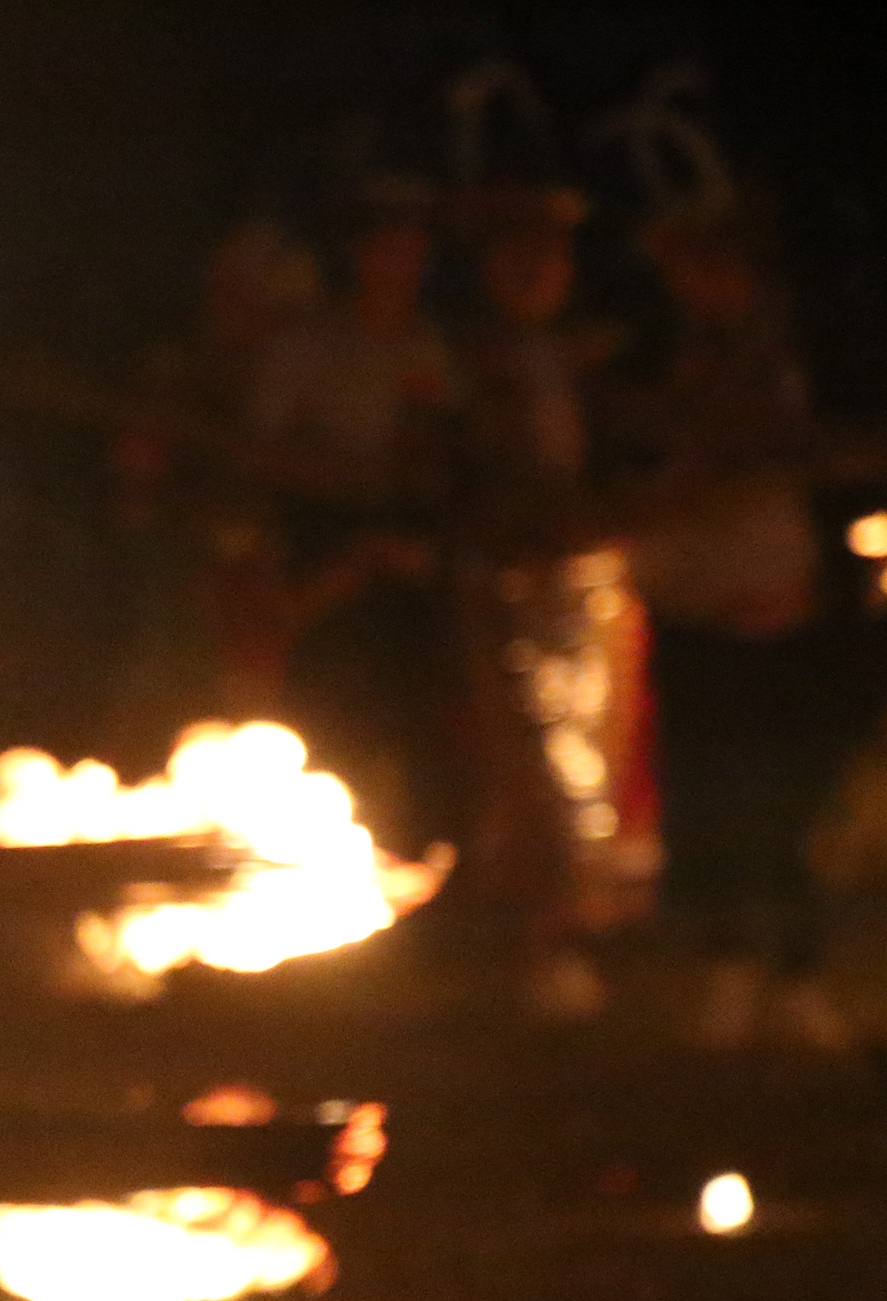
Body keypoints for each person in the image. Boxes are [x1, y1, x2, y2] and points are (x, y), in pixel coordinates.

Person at [610, 195, 866, 1050]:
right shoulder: (653, 357)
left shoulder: (801, 355)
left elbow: (826, 455)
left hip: (787, 609)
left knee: (792, 800)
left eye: (723, 265)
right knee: (710, 798)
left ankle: (792, 974)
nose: (709, 283)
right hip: (692, 611)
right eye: (692, 266)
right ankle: (725, 972)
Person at [449, 179, 656, 1019]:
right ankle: (539, 939)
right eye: (517, 252)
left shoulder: (593, 361)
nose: (536, 270)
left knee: (596, 760)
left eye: (551, 254)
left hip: (590, 584)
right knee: (526, 759)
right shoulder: (465, 363)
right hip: (508, 582)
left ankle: (585, 932)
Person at [242, 177, 460, 847]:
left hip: (409, 552)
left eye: (411, 249)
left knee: (419, 718)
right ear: (358, 255)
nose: (399, 263)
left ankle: (415, 863)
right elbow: (261, 449)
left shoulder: (428, 347)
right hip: (324, 542)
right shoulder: (310, 344)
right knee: (327, 713)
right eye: (384, 247)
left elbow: (440, 447)